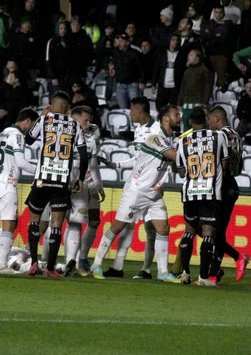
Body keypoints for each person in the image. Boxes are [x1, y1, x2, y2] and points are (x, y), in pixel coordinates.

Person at [90, 105, 181, 283]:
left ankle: (162, 271)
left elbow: (178, 168)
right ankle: (97, 263)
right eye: (176, 115)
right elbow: (174, 156)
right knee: (118, 227)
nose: (179, 117)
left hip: (153, 193)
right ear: (166, 119)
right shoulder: (156, 138)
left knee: (163, 228)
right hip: (137, 190)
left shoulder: (169, 140)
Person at [24, 91, 88, 277]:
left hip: (42, 179)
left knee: (34, 221)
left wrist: (43, 117)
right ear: (68, 108)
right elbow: (84, 156)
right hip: (62, 182)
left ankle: (34, 264)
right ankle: (50, 269)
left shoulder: (44, 120)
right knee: (56, 224)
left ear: (51, 105)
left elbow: (28, 140)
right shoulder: (75, 125)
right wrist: (80, 178)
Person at [99, 96, 162, 280]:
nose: (130, 113)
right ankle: (119, 267)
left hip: (151, 185)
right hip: (137, 184)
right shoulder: (139, 130)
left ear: (139, 110)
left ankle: (147, 270)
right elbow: (138, 160)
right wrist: (115, 165)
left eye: (132, 110)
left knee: (151, 229)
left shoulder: (157, 130)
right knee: (127, 226)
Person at [175, 106, 229, 286]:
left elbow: (181, 171)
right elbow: (225, 163)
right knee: (208, 232)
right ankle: (204, 277)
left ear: (190, 122)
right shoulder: (219, 136)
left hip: (190, 191)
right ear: (206, 119)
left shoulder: (183, 141)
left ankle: (185, 273)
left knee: (189, 231)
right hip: (211, 191)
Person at [0, 108, 39, 274]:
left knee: (9, 222)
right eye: (33, 127)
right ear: (28, 121)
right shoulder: (17, 135)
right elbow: (21, 162)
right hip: (7, 182)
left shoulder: (4, 132)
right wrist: (41, 171)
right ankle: (2, 265)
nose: (32, 131)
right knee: (9, 224)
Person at [206, 106, 250, 282]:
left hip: (222, 184)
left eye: (210, 119)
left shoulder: (219, 136)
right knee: (217, 230)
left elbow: (217, 161)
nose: (208, 123)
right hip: (233, 184)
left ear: (217, 119)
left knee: (213, 230)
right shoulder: (236, 135)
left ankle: (219, 270)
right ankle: (218, 270)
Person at [61, 106, 104, 276]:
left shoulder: (93, 133)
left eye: (89, 120)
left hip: (84, 181)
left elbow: (93, 164)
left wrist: (98, 185)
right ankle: (46, 262)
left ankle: (76, 261)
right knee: (54, 223)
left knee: (83, 221)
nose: (89, 123)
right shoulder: (64, 131)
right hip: (63, 181)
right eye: (86, 120)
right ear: (75, 119)